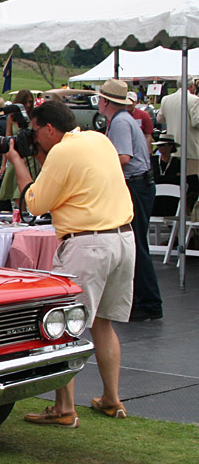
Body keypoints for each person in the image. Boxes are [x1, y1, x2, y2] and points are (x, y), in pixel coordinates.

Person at [8, 99, 134, 425]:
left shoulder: (62, 152)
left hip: (87, 243)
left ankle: (64, 409)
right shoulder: (98, 139)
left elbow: (35, 203)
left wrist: (17, 160)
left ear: (49, 128)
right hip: (123, 238)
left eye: (35, 131)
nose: (33, 137)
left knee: (63, 327)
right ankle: (112, 399)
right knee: (102, 323)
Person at [98, 78, 162, 322]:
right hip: (139, 183)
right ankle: (145, 299)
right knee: (136, 243)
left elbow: (123, 157)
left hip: (135, 184)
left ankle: (149, 302)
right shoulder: (124, 119)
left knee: (137, 245)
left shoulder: (120, 123)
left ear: (105, 101)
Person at [156, 82, 199, 212]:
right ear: (192, 86)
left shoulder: (166, 100)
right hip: (191, 150)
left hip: (172, 149)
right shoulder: (195, 100)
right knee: (192, 189)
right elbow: (197, 122)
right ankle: (189, 218)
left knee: (176, 188)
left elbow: (160, 119)